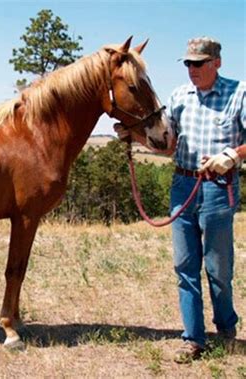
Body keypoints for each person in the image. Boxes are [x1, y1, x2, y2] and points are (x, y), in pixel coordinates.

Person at [115, 36, 245, 363]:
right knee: (185, 266)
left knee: (218, 268)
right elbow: (168, 145)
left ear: (217, 62)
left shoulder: (239, 93)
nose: (192, 69)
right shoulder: (179, 96)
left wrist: (233, 154)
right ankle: (193, 339)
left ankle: (226, 327)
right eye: (188, 63)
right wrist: (135, 134)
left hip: (219, 188)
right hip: (183, 186)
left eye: (198, 63)